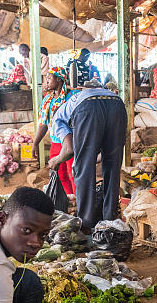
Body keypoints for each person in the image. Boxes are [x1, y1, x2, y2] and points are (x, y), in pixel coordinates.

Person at [49, 81, 126, 231]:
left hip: (88, 107)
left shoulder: (57, 118)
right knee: (113, 166)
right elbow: (107, 152)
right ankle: (110, 222)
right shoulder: (80, 100)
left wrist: (56, 160)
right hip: (118, 105)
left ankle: (86, 223)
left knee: (83, 168)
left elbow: (69, 149)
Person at [32, 67, 76, 195]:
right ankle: (69, 199)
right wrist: (35, 143)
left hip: (72, 142)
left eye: (49, 78)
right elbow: (43, 125)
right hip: (56, 143)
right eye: (46, 78)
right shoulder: (47, 100)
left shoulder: (72, 96)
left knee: (74, 174)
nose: (46, 81)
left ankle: (80, 202)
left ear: (59, 79)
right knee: (59, 174)